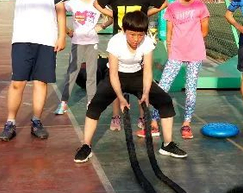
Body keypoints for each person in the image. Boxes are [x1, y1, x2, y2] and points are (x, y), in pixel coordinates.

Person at [73, 11, 187, 163]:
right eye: (132, 34)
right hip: (116, 76)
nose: (136, 39)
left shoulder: (147, 42)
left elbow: (147, 71)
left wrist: (145, 93)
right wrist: (121, 98)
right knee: (94, 106)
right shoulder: (115, 42)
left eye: (140, 35)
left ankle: (167, 144)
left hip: (137, 76)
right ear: (124, 30)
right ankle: (86, 146)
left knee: (165, 101)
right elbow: (113, 74)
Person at [0, 0, 68, 141]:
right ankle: (10, 122)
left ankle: (36, 121)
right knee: (17, 82)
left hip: (46, 38)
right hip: (22, 38)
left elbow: (60, 8)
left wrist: (61, 35)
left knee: (41, 83)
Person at [94, 0, 168, 132]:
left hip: (139, 44)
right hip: (120, 44)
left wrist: (145, 15)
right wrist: (112, 15)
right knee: (116, 80)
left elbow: (164, 3)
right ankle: (116, 116)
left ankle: (143, 116)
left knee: (142, 80)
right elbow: (97, 3)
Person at [145, 0, 209, 140]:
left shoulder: (201, 6)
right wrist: (171, 49)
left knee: (191, 90)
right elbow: (169, 32)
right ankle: (154, 120)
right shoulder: (173, 7)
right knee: (163, 87)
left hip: (195, 53)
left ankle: (187, 123)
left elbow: (204, 30)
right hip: (176, 53)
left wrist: (192, 41)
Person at [54, 0, 112, 115]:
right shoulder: (73, 2)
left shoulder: (97, 3)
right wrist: (67, 30)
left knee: (91, 73)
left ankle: (90, 102)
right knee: (72, 72)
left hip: (92, 42)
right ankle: (64, 103)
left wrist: (101, 26)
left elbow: (112, 15)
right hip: (77, 42)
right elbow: (57, 11)